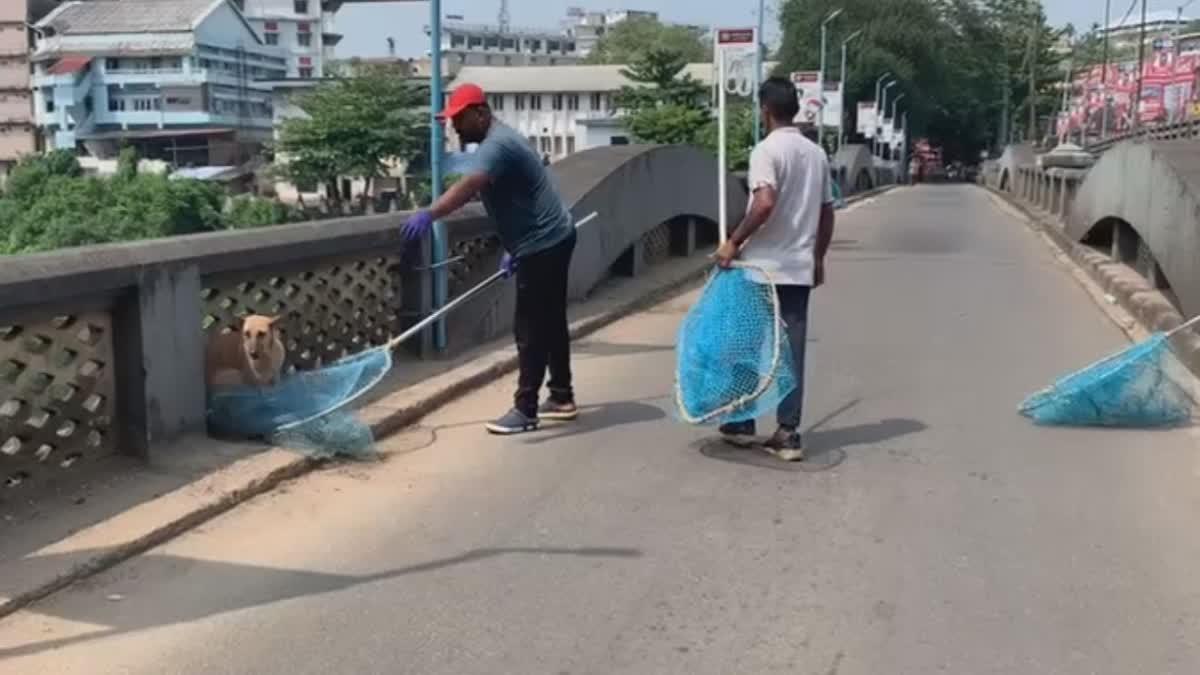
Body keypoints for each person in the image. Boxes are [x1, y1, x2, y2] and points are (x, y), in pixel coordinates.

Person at [403, 83, 578, 435]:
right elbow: (517, 202)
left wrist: (430, 214)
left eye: (459, 119)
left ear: (480, 113)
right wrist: (512, 250)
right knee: (551, 320)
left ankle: (526, 409)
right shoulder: (499, 140)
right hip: (552, 237)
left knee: (530, 329)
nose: (454, 127)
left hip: (543, 243)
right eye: (450, 120)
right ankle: (561, 395)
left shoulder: (497, 145)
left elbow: (468, 186)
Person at [713, 77, 836, 462]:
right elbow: (826, 211)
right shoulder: (816, 154)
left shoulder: (765, 151)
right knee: (791, 349)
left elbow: (764, 203)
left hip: (763, 267)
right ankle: (788, 431)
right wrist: (817, 258)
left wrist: (733, 241)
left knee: (747, 342)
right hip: (798, 267)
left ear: (764, 109)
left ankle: (742, 422)